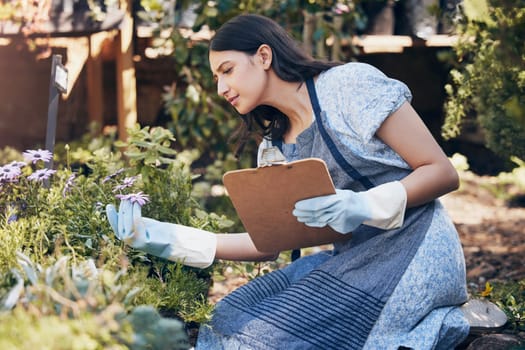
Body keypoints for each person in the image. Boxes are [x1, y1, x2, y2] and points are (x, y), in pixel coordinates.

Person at [107, 13, 472, 349]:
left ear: (264, 56)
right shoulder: (274, 148)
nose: (221, 87)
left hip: (415, 253)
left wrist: (364, 204)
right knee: (226, 320)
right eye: (217, 77)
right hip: (350, 261)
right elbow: (268, 245)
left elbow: (441, 171)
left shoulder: (349, 87)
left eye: (227, 70)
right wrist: (167, 238)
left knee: (258, 341)